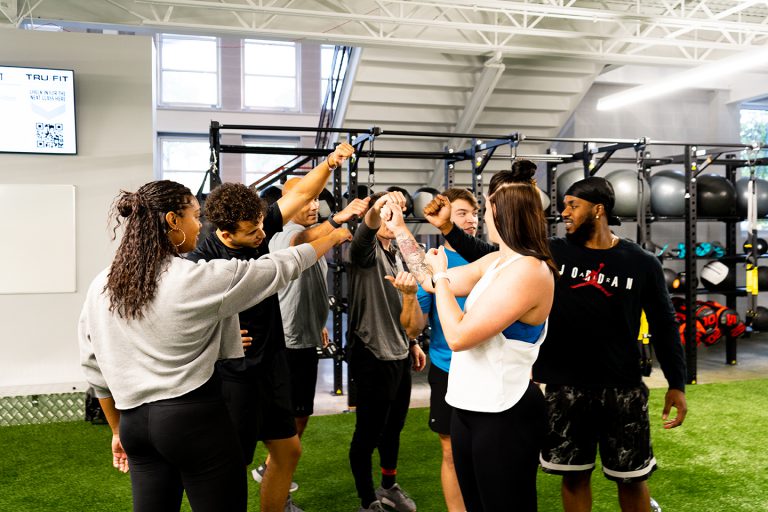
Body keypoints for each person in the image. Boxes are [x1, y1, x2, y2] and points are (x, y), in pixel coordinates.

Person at [425, 166, 688, 512]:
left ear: (598, 209)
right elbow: (490, 254)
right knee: (574, 475)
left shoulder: (640, 262)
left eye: (573, 205)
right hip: (567, 385)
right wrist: (446, 228)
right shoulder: (552, 254)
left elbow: (665, 324)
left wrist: (677, 383)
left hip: (621, 386)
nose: (564, 212)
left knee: (632, 477)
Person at [78, 180, 347, 512]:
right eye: (194, 215)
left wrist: (118, 430)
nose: (200, 225)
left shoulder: (102, 283)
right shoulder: (191, 277)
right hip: (191, 421)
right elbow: (279, 267)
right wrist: (331, 237)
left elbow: (92, 363)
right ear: (173, 220)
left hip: (136, 427)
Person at [186, 142, 354, 512]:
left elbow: (303, 193)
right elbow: (179, 313)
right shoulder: (202, 259)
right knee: (232, 465)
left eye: (262, 224)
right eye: (252, 232)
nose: (262, 236)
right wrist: (215, 339)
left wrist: (329, 162)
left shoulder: (254, 222)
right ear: (226, 235)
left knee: (288, 449)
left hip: (272, 361)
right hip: (235, 374)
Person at [385, 166, 557, 512]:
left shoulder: (531, 270)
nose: (482, 218)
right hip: (467, 405)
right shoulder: (496, 261)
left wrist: (442, 279)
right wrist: (399, 229)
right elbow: (429, 279)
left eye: (486, 208)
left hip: (504, 412)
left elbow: (459, 334)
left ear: (503, 214)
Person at [268, 177, 369, 442]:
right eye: (305, 200)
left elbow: (309, 286)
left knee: (301, 411)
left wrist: (318, 323)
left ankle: (277, 468)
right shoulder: (282, 232)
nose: (314, 206)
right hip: (288, 341)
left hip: (305, 335)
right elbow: (299, 241)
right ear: (287, 203)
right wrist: (337, 224)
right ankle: (273, 469)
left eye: (315, 199)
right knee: (293, 414)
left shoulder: (312, 233)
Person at [397, 187, 479, 512]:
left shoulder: (488, 256)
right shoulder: (430, 265)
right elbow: (413, 328)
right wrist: (407, 295)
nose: (470, 219)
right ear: (443, 220)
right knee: (451, 451)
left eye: (474, 213)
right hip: (448, 368)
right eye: (462, 214)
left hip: (488, 367)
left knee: (489, 449)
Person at [347, 190, 427, 512]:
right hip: (372, 353)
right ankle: (368, 501)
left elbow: (404, 305)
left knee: (393, 428)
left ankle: (388, 486)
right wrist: (379, 206)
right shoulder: (364, 250)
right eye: (387, 209)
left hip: (400, 351)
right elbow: (365, 230)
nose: (392, 216)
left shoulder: (397, 251)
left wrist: (413, 343)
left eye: (399, 211)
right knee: (367, 434)